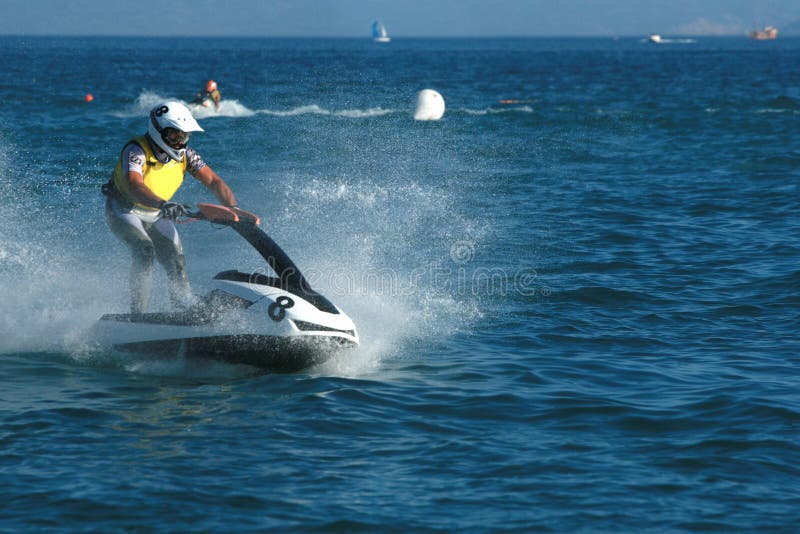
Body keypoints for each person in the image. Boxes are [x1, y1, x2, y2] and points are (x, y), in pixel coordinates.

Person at [102, 101, 243, 314]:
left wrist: (233, 208)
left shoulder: (187, 155)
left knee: (176, 261)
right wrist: (163, 204)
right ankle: (137, 317)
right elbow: (135, 184)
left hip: (158, 213)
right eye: (175, 136)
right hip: (124, 210)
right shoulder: (136, 150)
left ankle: (183, 311)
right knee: (145, 251)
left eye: (184, 136)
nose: (180, 142)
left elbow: (214, 181)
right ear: (158, 131)